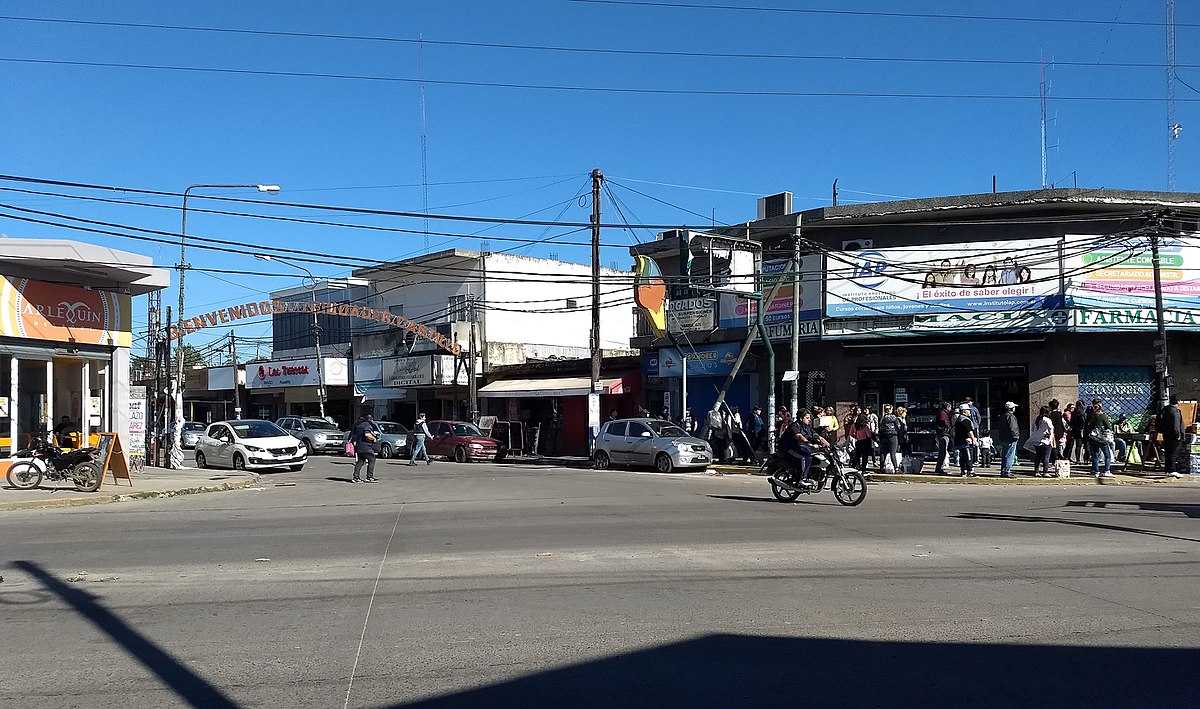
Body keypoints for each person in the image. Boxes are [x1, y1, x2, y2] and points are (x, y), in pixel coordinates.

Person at [779, 409, 828, 489]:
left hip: (801, 447)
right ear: (801, 418)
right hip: (789, 449)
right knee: (806, 457)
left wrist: (828, 445)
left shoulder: (808, 427)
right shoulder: (794, 426)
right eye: (807, 418)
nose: (809, 420)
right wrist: (809, 443)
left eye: (809, 418)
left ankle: (811, 475)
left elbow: (818, 437)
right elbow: (799, 436)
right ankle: (803, 479)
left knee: (816, 455)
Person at [1157, 396, 1186, 478]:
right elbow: (1176, 425)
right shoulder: (1174, 411)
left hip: (1167, 434)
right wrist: (1178, 435)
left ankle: (1168, 469)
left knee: (1168, 453)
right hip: (1174, 436)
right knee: (1173, 453)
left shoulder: (1166, 410)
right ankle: (1171, 470)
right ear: (1177, 401)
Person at [1085, 400, 1114, 478]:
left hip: (1092, 438)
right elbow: (1108, 427)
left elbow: (1087, 427)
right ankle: (1107, 470)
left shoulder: (1090, 416)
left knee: (1095, 455)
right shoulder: (1102, 416)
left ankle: (1096, 471)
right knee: (1107, 455)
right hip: (1101, 438)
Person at [351, 413, 378, 483]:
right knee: (372, 460)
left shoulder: (359, 425)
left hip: (359, 446)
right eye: (372, 419)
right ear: (369, 419)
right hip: (366, 447)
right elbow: (367, 434)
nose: (372, 420)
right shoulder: (368, 425)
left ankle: (355, 477)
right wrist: (374, 439)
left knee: (360, 462)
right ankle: (369, 477)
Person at [996, 401, 1020, 478]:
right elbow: (1013, 428)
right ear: (1012, 408)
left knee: (1005, 455)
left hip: (1004, 437)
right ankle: (1007, 471)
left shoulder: (1003, 416)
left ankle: (1004, 470)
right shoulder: (1011, 417)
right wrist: (1016, 436)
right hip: (1010, 438)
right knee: (1010, 455)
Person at [878, 404, 904, 473]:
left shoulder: (882, 417)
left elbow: (880, 427)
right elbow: (898, 426)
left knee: (883, 453)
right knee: (893, 452)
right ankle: (896, 468)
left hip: (883, 436)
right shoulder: (893, 417)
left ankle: (881, 468)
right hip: (892, 436)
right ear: (890, 410)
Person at [953, 403, 977, 476]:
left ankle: (963, 470)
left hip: (959, 441)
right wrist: (973, 439)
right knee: (968, 456)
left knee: (962, 457)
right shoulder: (965, 420)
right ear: (964, 411)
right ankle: (970, 470)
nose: (970, 412)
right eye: (968, 410)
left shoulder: (958, 419)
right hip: (966, 442)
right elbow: (969, 431)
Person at [1031, 405, 1054, 477]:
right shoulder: (1047, 420)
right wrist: (1050, 436)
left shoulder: (1037, 419)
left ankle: (1036, 471)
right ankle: (1045, 472)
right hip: (1045, 440)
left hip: (1037, 440)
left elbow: (1032, 429)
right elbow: (1051, 428)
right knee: (1046, 457)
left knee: (1038, 456)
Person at [934, 401, 953, 474]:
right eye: (950, 407)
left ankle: (939, 467)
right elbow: (943, 421)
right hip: (943, 434)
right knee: (942, 452)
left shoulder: (945, 413)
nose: (951, 408)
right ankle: (939, 468)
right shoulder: (943, 413)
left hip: (944, 433)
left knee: (943, 452)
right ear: (947, 407)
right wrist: (946, 427)